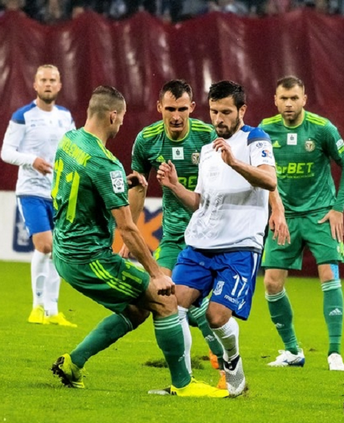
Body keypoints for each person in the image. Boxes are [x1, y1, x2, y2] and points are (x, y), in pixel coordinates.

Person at [50, 85, 227, 398]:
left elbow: (87, 186)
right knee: (165, 300)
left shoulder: (70, 140)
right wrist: (156, 273)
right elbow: (128, 227)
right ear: (113, 115)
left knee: (136, 309)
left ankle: (73, 363)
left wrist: (124, 184)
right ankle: (183, 385)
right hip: (88, 259)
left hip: (64, 249)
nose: (121, 125)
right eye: (121, 119)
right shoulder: (105, 163)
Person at [156, 80, 278, 397]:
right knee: (171, 306)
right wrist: (173, 186)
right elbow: (201, 201)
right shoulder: (209, 151)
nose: (218, 119)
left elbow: (269, 180)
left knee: (216, 317)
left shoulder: (255, 139)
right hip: (199, 245)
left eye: (225, 112)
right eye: (213, 111)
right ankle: (181, 384)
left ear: (242, 110)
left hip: (239, 248)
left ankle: (232, 362)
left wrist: (235, 163)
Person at [120, 79, 226, 387]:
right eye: (170, 109)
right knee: (164, 297)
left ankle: (224, 367)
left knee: (195, 306)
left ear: (193, 108)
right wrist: (131, 231)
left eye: (182, 109)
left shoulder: (208, 137)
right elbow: (139, 188)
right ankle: (187, 379)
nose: (176, 116)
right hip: (173, 236)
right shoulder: (147, 140)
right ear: (159, 108)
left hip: (209, 235)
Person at [259, 75, 344, 371]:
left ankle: (335, 353)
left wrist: (338, 209)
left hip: (320, 214)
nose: (289, 104)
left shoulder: (322, 128)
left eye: (294, 98)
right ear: (275, 101)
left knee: (328, 274)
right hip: (284, 217)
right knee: (272, 283)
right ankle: (292, 352)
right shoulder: (264, 130)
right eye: (283, 99)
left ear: (304, 99)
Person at [0, 64, 77, 327]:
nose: (47, 84)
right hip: (31, 191)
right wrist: (31, 160)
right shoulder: (23, 116)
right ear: (35, 85)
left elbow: (74, 149)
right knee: (45, 245)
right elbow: (6, 152)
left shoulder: (66, 117)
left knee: (58, 250)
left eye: (52, 80)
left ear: (59, 85)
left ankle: (52, 311)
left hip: (59, 193)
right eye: (43, 80)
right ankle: (36, 306)